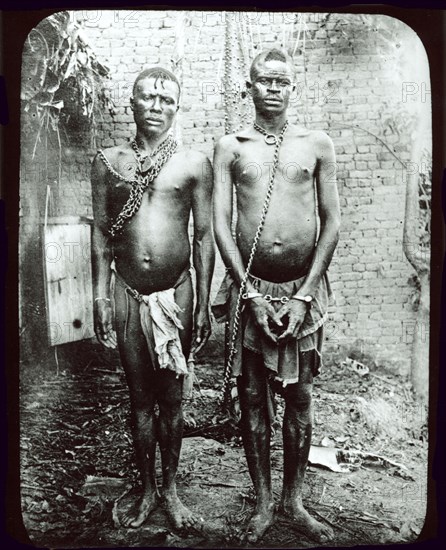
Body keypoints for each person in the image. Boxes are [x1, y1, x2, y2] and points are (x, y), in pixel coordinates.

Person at [212, 48, 340, 543]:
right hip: (253, 293)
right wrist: (251, 294)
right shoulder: (231, 146)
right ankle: (263, 503)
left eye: (281, 81)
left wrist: (304, 295)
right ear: (249, 87)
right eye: (263, 80)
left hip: (301, 293)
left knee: (300, 395)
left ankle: (295, 501)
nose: (272, 88)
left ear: (293, 88)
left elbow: (332, 224)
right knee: (252, 397)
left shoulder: (317, 144)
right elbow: (221, 225)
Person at [91, 67, 215, 530]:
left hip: (177, 295)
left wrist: (202, 303)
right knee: (140, 397)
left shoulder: (192, 164)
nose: (156, 106)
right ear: (132, 103)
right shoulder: (108, 162)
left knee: (172, 398)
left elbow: (203, 237)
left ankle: (172, 489)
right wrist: (100, 297)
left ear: (177, 107)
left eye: (166, 99)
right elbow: (102, 235)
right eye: (148, 98)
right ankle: (146, 489)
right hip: (127, 294)